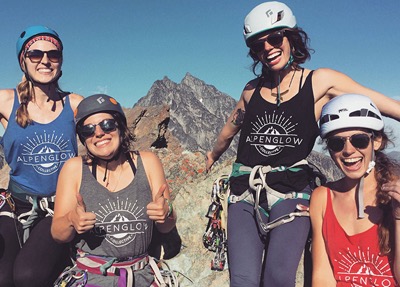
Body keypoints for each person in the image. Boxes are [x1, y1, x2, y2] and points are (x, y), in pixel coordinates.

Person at [205, 2, 400, 286]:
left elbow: (379, 102)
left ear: (290, 37)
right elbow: (230, 129)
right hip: (244, 190)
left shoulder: (319, 82)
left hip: (292, 189)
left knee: (278, 278)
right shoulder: (252, 90)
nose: (268, 48)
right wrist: (211, 155)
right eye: (259, 45)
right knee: (243, 280)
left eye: (274, 38)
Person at [51, 94, 177, 286]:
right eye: (88, 130)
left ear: (120, 126)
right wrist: (71, 220)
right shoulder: (74, 169)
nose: (99, 133)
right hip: (91, 277)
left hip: (141, 276)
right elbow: (58, 234)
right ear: (83, 138)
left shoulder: (148, 163)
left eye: (107, 124)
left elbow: (166, 226)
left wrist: (166, 211)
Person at [0, 25, 83, 287]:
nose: (45, 61)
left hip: (59, 207)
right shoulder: (5, 101)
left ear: (60, 61)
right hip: (16, 206)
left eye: (53, 55)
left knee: (28, 277)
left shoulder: (74, 105)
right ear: (23, 61)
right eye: (35, 54)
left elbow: (109, 138)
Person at [310, 94, 400, 286]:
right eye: (337, 143)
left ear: (376, 141)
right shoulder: (322, 198)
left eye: (359, 140)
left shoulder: (397, 195)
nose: (348, 150)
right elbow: (322, 277)